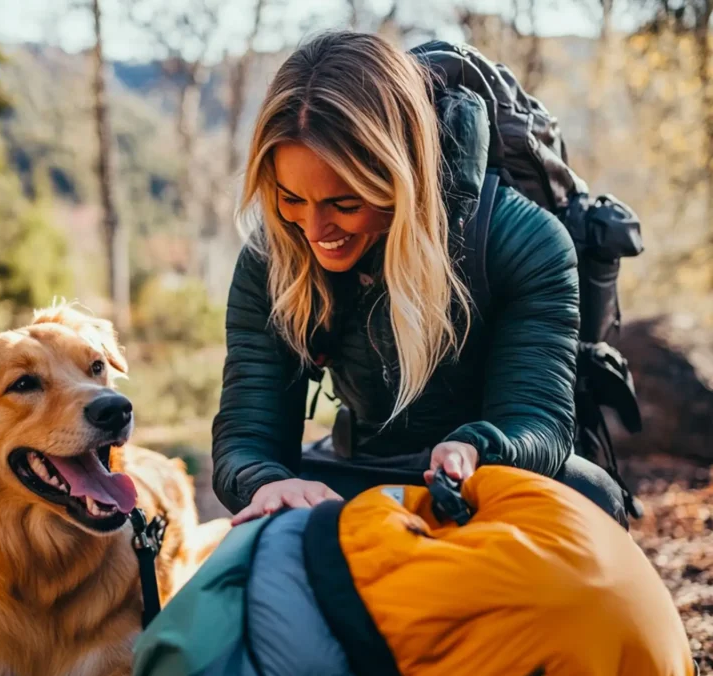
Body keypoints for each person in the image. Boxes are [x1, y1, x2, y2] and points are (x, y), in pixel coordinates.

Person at [211, 30, 629, 528]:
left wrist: (478, 448)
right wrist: (267, 482)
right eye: (291, 199)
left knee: (592, 494)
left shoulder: (524, 242)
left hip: (484, 472)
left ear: (401, 175)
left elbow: (539, 423)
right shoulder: (274, 254)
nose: (315, 231)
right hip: (354, 470)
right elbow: (247, 436)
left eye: (346, 203)